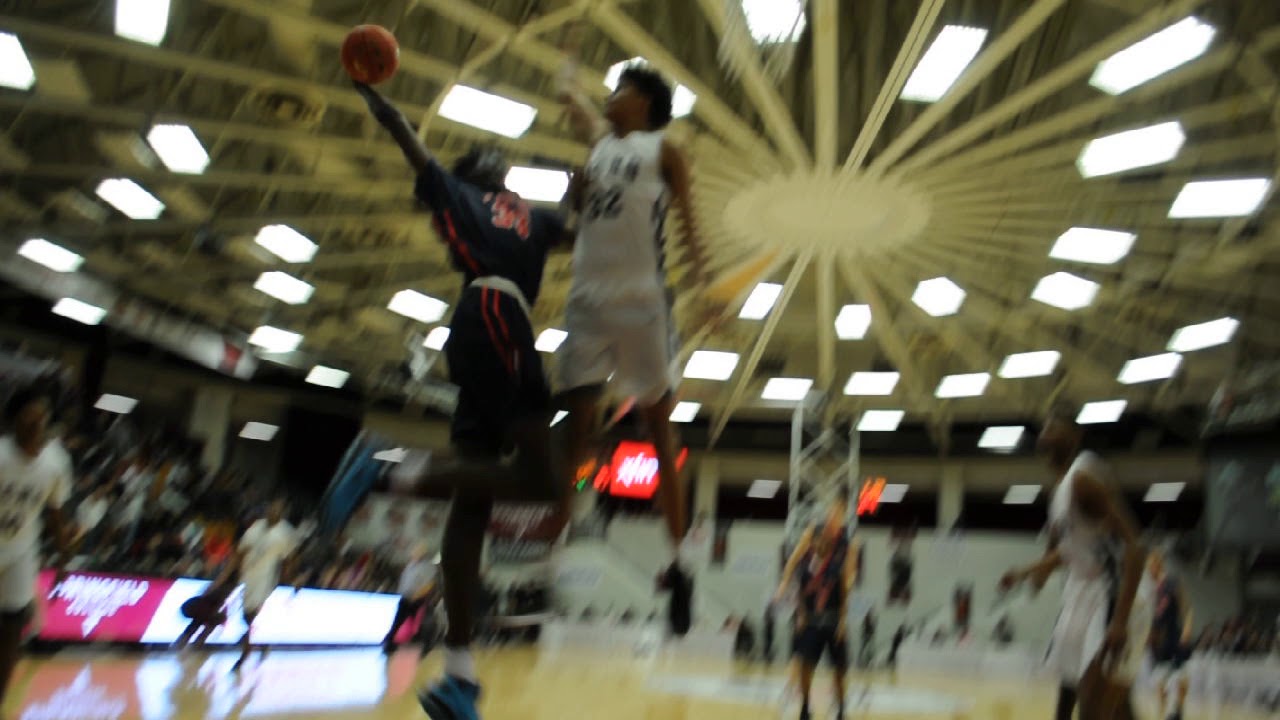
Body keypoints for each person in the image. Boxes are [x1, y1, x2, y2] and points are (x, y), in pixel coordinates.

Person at [354, 80, 569, 720]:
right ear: (489, 176)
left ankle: (458, 674)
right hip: (498, 316)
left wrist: (383, 105)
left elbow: (575, 230)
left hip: (477, 322)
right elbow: (421, 158)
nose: (500, 162)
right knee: (542, 478)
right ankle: (408, 474)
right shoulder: (492, 203)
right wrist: (388, 111)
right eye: (494, 161)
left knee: (472, 509)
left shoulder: (505, 208)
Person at [558, 62, 711, 637]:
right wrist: (562, 79)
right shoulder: (598, 146)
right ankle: (560, 530)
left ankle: (679, 563)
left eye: (619, 90)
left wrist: (705, 281)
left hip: (642, 300)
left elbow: (691, 225)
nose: (609, 97)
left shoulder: (664, 151)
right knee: (578, 425)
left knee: (658, 428)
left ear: (644, 103)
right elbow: (573, 104)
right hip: (586, 300)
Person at [1000, 411, 1152, 720]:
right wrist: (1028, 572)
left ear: (1076, 436)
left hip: (1119, 594)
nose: (1045, 433)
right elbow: (1067, 552)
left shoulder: (1084, 481)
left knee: (1093, 706)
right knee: (1104, 704)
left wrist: (1120, 621)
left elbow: (1135, 546)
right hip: (1087, 595)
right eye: (1044, 427)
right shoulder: (1059, 492)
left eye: (1055, 426)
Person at [0, 384, 73, 709]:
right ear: (14, 422)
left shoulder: (56, 462)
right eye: (28, 421)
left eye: (40, 422)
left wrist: (63, 559)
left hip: (20, 551)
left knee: (12, 633)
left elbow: (56, 513)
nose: (34, 428)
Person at [774, 488, 858, 720]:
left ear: (843, 517)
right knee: (804, 664)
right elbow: (793, 562)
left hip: (832, 615)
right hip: (810, 614)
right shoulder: (812, 533)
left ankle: (841, 708)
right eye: (832, 512)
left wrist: (843, 617)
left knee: (840, 669)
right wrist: (783, 584)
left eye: (839, 513)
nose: (833, 517)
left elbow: (847, 582)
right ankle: (803, 707)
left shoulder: (847, 544)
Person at [230, 498, 297, 673]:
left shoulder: (286, 532)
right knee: (246, 617)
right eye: (272, 507)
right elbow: (241, 550)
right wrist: (234, 571)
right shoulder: (256, 526)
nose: (273, 511)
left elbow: (288, 559)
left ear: (283, 513)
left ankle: (244, 655)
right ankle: (260, 644)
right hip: (248, 575)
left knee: (252, 615)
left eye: (278, 508)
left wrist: (290, 580)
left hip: (266, 578)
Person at [1147, 549, 1192, 720]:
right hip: (1158, 642)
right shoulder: (1148, 588)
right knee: (1160, 681)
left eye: (1151, 565)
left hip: (1175, 635)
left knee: (1182, 678)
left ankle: (1179, 710)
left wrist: (1187, 627)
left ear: (1158, 564)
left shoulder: (1172, 583)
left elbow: (1187, 608)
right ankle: (1162, 714)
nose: (1149, 569)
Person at [382, 543, 438, 655]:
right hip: (405, 597)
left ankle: (421, 646)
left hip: (416, 599)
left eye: (417, 551)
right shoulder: (410, 566)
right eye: (414, 551)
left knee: (415, 623)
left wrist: (416, 596)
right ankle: (390, 644)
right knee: (399, 621)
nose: (413, 553)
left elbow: (429, 585)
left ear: (423, 554)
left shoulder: (427, 568)